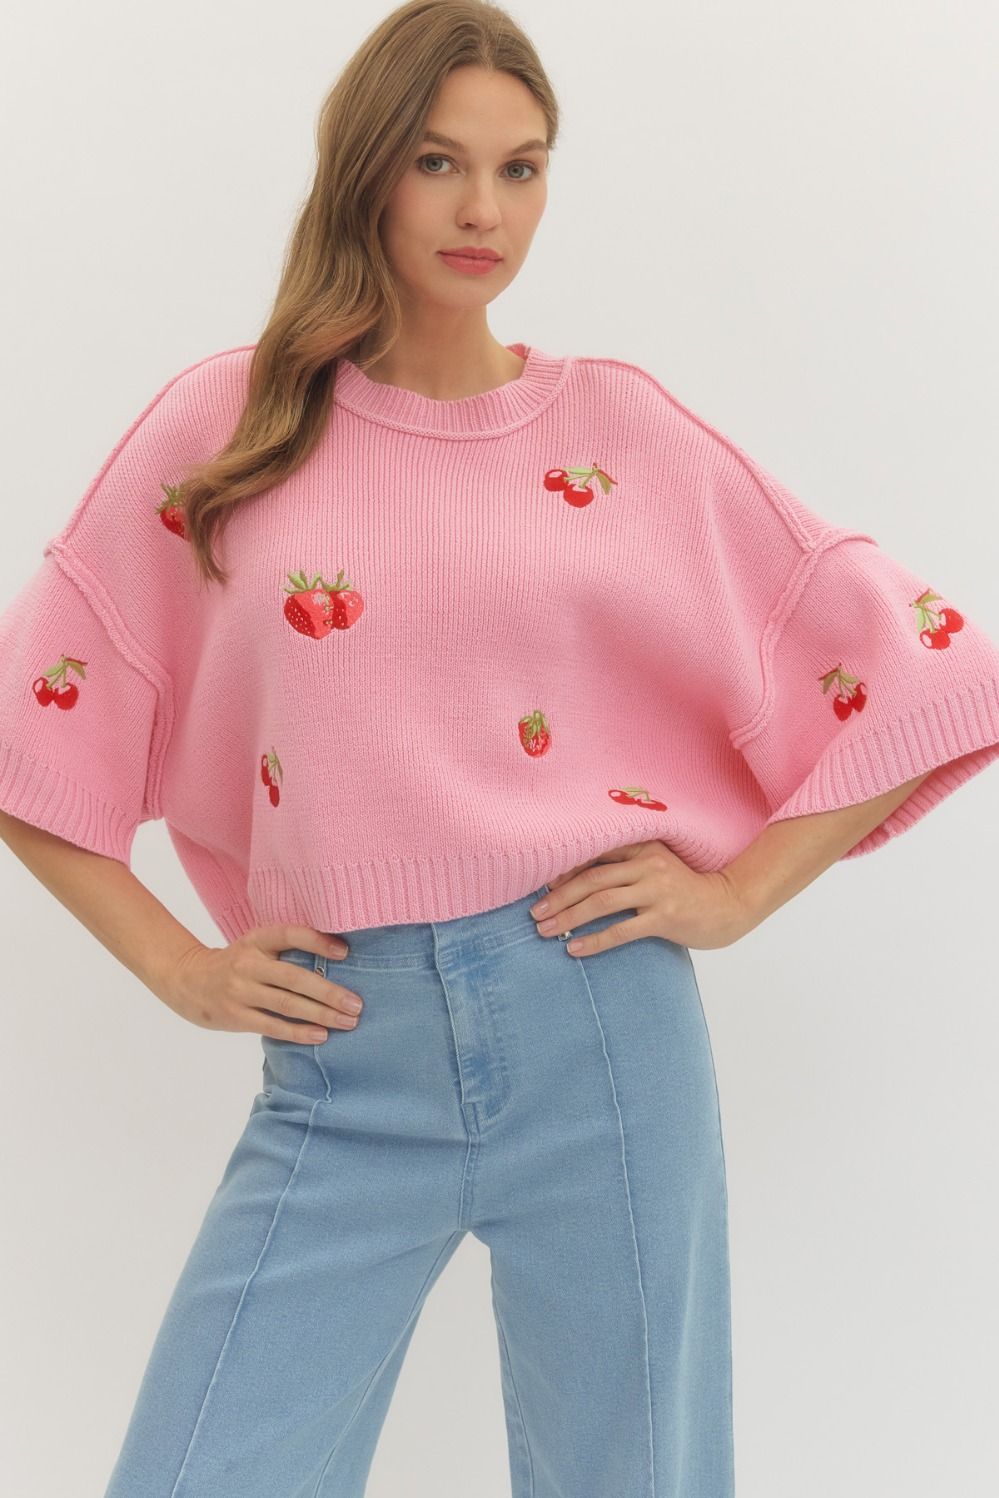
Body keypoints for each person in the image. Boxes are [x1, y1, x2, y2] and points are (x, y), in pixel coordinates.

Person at [2, 3, 998, 1495]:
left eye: (521, 168)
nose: (484, 209)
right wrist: (179, 967)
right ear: (367, 171)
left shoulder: (614, 425)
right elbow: (33, 717)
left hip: (601, 1031)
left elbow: (923, 669)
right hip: (342, 1059)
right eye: (440, 162)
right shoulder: (234, 423)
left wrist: (738, 894)